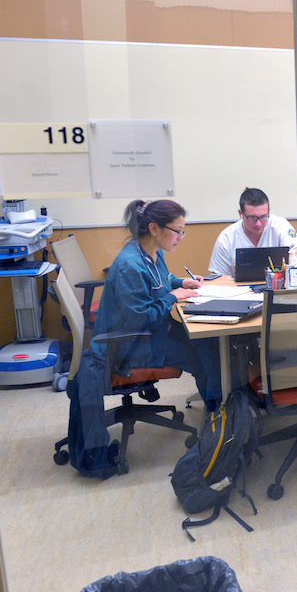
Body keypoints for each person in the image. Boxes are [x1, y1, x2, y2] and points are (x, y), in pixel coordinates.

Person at [69, 199, 222, 478]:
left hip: (150, 333)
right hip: (130, 346)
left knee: (208, 343)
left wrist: (180, 283)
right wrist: (173, 297)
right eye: (177, 231)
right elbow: (141, 318)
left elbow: (161, 279)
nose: (181, 237)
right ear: (154, 228)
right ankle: (217, 422)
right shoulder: (130, 266)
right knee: (204, 356)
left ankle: (218, 414)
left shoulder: (150, 252)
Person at [208, 187, 297, 277]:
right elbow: (219, 277)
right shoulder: (226, 238)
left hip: (276, 287)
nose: (258, 223)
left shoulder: (280, 225)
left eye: (263, 217)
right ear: (241, 214)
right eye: (252, 218)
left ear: (268, 211)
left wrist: (250, 265)